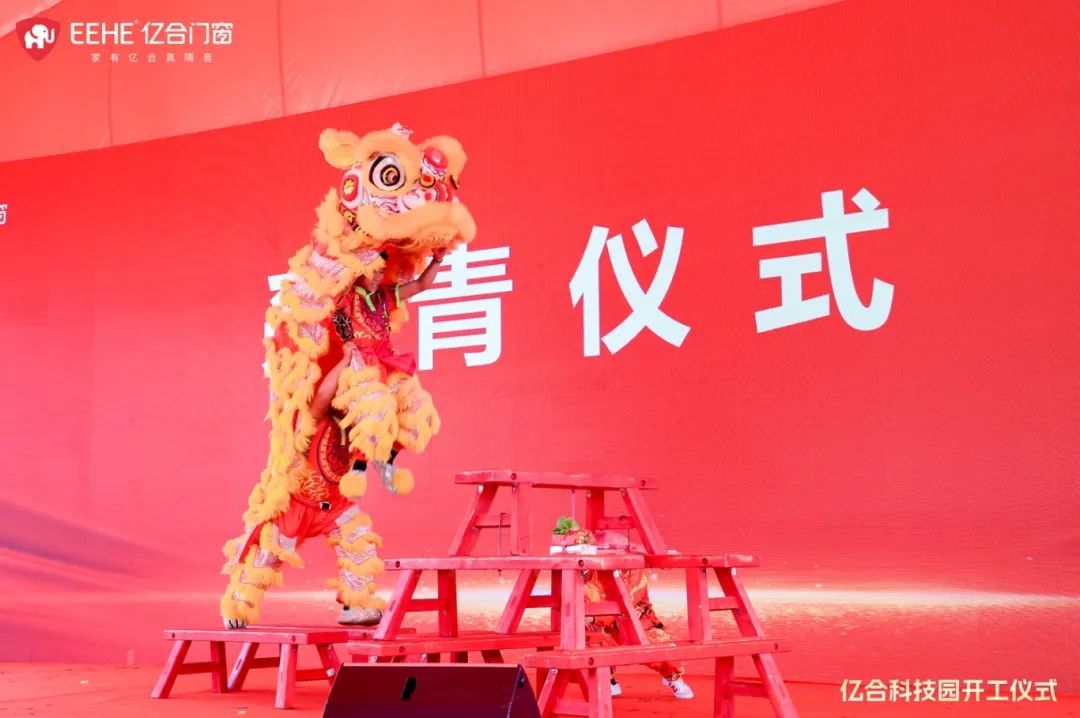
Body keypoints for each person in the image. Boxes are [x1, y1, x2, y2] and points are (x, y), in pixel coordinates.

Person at [220, 123, 475, 629]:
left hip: (337, 497)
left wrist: (438, 260)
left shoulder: (383, 297)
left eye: (383, 267)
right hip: (300, 497)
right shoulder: (348, 302)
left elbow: (419, 285)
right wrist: (345, 362)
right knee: (270, 550)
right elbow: (318, 404)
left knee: (361, 532)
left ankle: (380, 481)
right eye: (374, 267)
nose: (381, 272)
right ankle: (240, 603)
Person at [583, 531, 695, 700]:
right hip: (605, 626)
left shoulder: (634, 569)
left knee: (664, 649)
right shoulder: (589, 572)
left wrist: (594, 616)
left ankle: (673, 677)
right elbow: (587, 604)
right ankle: (607, 679)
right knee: (589, 634)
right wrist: (590, 617)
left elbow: (626, 602)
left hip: (639, 624)